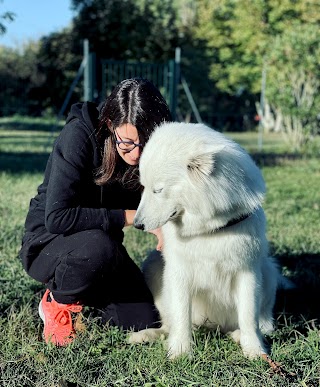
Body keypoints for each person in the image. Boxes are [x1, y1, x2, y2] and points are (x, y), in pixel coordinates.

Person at [19, 78, 172, 346]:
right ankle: (58, 302)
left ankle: (84, 293)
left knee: (141, 320)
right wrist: (135, 218)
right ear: (111, 125)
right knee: (98, 245)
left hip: (104, 251)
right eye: (126, 143)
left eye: (145, 143)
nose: (135, 155)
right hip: (50, 243)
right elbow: (58, 218)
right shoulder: (79, 135)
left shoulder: (150, 152)